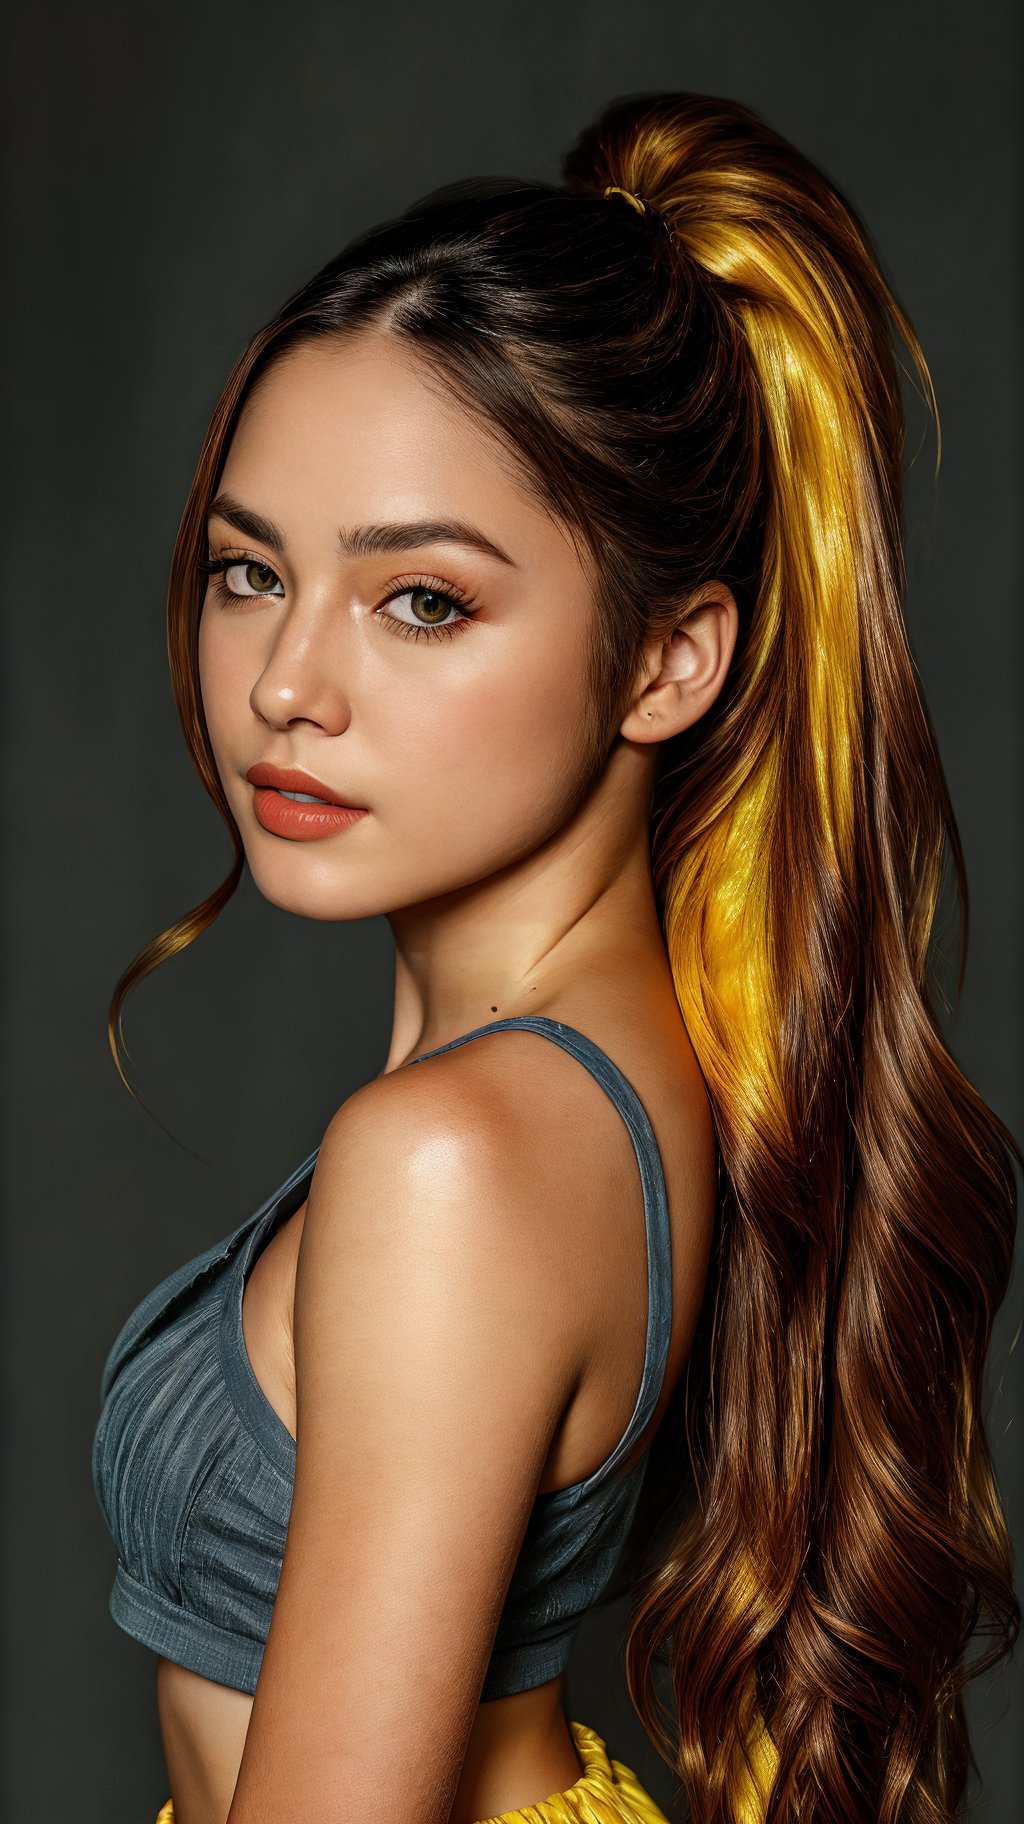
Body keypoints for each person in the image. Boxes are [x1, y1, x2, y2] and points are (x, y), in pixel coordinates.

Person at [91, 89, 1020, 1824]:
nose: (287, 682)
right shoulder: (609, 1069)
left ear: (672, 663)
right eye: (246, 569)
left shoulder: (452, 1159)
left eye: (420, 598)